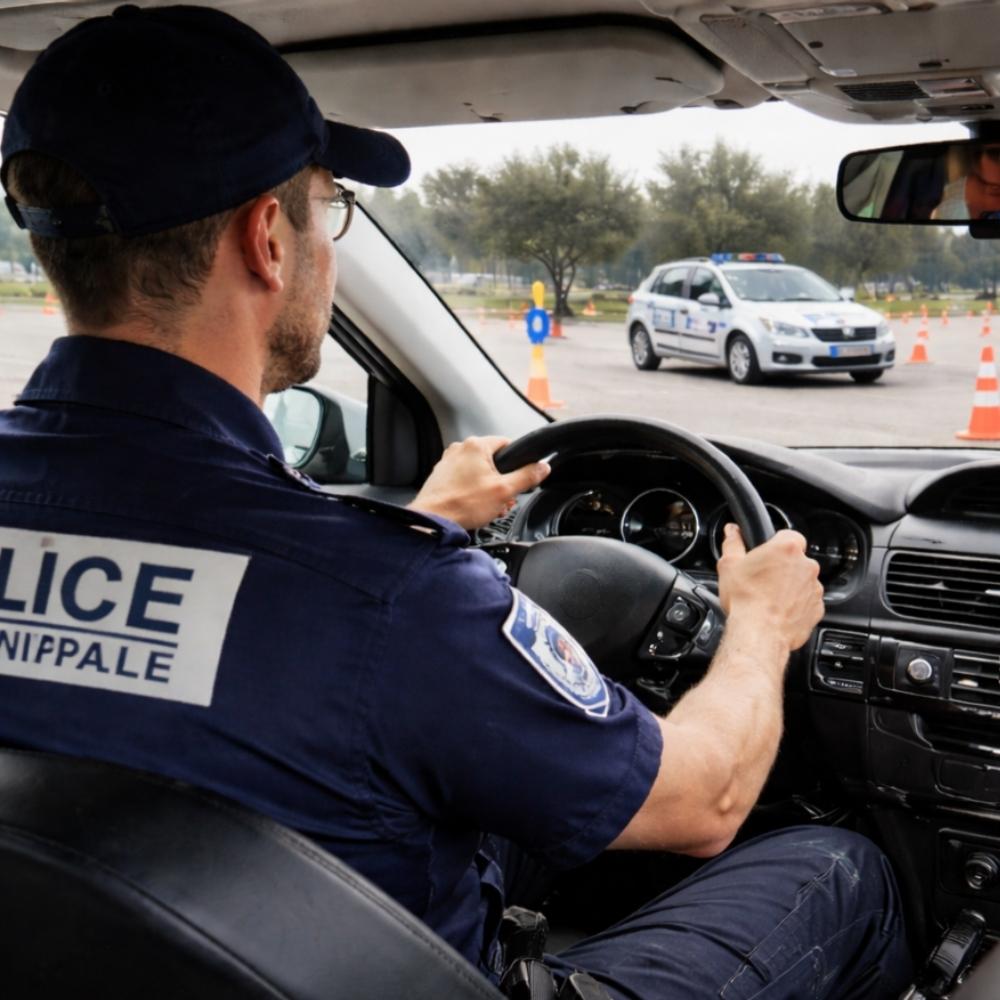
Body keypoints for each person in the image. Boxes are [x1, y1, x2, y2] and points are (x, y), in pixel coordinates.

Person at [0, 6, 911, 998]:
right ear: (269, 237)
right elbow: (706, 795)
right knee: (837, 870)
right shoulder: (391, 600)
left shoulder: (377, 592)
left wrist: (422, 531)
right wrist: (761, 625)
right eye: (330, 203)